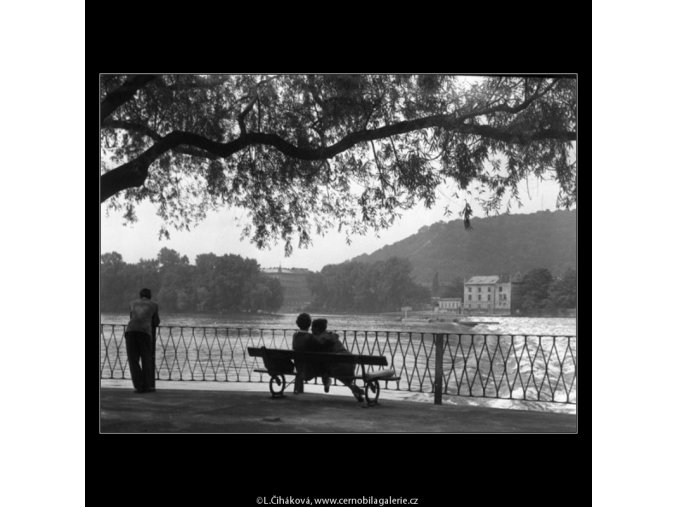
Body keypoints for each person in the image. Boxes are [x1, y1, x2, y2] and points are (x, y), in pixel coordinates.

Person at [311, 318, 364, 402]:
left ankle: (327, 380)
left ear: (316, 328)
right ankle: (351, 387)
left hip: (336, 367)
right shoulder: (332, 337)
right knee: (331, 364)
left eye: (312, 327)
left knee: (323, 364)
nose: (311, 329)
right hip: (350, 364)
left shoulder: (317, 340)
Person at [124, 288, 160, 393]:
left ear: (140, 296)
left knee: (133, 360)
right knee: (146, 359)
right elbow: (156, 321)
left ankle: (138, 386)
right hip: (144, 333)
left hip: (130, 332)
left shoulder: (132, 304)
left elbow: (131, 317)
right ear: (150, 296)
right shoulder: (154, 305)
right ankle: (147, 386)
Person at [291, 313, 323, 393]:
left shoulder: (295, 336)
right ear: (309, 325)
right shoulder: (311, 337)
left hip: (298, 367)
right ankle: (326, 381)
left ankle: (297, 389)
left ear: (298, 324)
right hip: (310, 370)